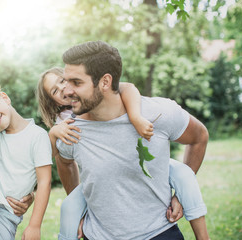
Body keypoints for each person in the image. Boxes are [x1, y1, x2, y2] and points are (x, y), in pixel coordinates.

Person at [54, 41, 210, 240]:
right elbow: (64, 161)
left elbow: (199, 137)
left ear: (105, 82)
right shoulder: (71, 131)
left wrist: (180, 195)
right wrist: (79, 207)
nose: (66, 91)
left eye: (76, 83)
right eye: (66, 81)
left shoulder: (157, 113)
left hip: (160, 233)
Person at [0, 88, 52, 240]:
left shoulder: (37, 136)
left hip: (6, 214)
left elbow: (45, 182)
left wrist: (34, 226)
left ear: (4, 97)